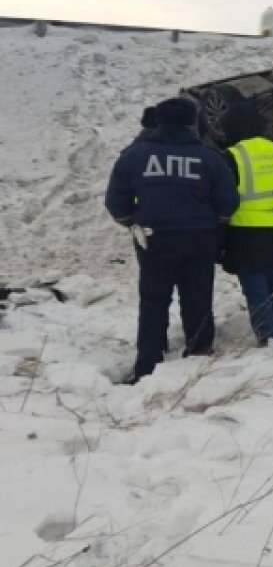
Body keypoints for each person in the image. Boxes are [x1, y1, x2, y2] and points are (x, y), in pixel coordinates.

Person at [105, 97, 239, 381]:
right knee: (198, 298)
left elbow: (116, 201)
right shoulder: (208, 157)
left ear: (159, 120)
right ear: (191, 122)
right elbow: (228, 201)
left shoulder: (134, 155)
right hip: (199, 239)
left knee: (154, 301)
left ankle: (148, 363)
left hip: (154, 240)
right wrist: (216, 224)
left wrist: (131, 222)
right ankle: (199, 352)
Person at [219, 103, 273, 346]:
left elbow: (226, 197)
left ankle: (266, 335)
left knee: (254, 284)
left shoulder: (233, 155)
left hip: (246, 228)